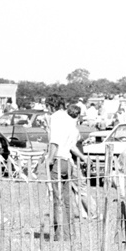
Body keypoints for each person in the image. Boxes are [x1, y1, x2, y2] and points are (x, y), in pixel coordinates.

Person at [42, 93, 78, 239]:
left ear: (51, 106)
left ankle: (60, 234)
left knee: (58, 199)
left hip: (57, 159)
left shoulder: (55, 118)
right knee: (68, 199)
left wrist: (49, 159)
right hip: (68, 160)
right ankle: (70, 233)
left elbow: (54, 141)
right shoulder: (70, 119)